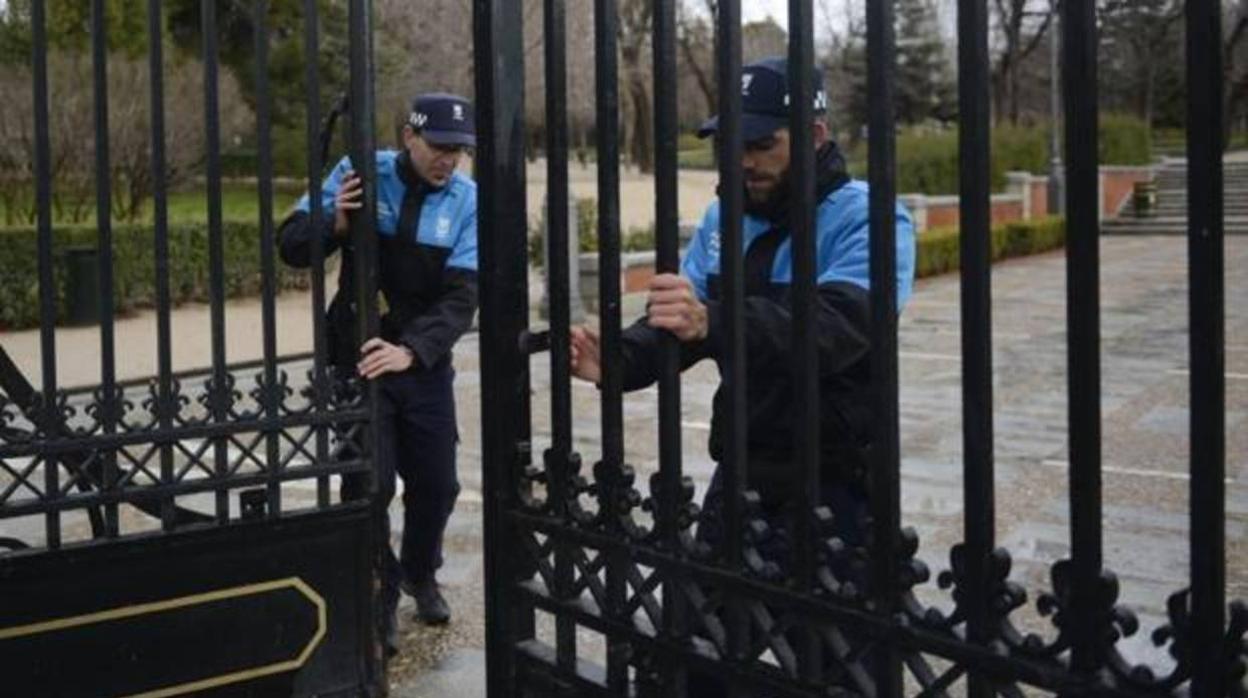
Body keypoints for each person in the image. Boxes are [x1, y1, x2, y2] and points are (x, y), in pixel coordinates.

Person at [569, 56, 916, 690]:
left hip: (840, 479)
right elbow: (685, 320)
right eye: (734, 145)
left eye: (761, 144)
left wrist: (716, 321)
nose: (745, 160)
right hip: (745, 471)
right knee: (693, 656)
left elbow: (837, 330)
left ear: (814, 136)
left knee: (841, 666)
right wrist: (618, 361)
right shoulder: (723, 218)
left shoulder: (867, 216)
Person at [278, 92, 478, 655]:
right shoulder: (357, 171)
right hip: (356, 357)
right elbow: (290, 245)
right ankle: (381, 592)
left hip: (421, 361)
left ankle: (420, 571)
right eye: (440, 147)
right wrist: (335, 223)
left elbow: (463, 298)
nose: (449, 160)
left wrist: (413, 350)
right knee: (368, 484)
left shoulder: (467, 200)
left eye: (459, 151)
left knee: (437, 484)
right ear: (409, 137)